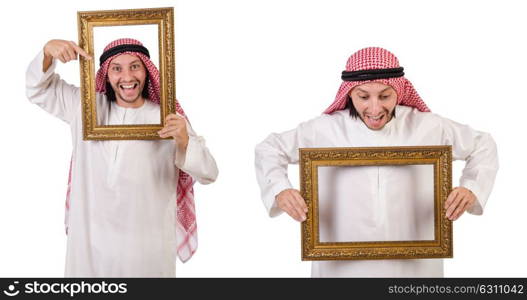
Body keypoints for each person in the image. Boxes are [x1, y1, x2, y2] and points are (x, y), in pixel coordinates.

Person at [254, 47, 498, 277]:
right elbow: (269, 148)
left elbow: (482, 145)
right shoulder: (324, 130)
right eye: (363, 97)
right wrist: (280, 190)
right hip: (339, 268)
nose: (374, 107)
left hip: (416, 267)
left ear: (399, 91)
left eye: (384, 96)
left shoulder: (429, 126)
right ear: (349, 93)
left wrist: (471, 188)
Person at [26, 38, 218, 277]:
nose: (127, 77)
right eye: (117, 68)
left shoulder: (166, 118)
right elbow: (37, 89)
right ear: (106, 74)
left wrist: (184, 140)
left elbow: (209, 173)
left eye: (135, 66)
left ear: (147, 71)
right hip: (89, 247)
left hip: (146, 250)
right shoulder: (84, 107)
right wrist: (47, 52)